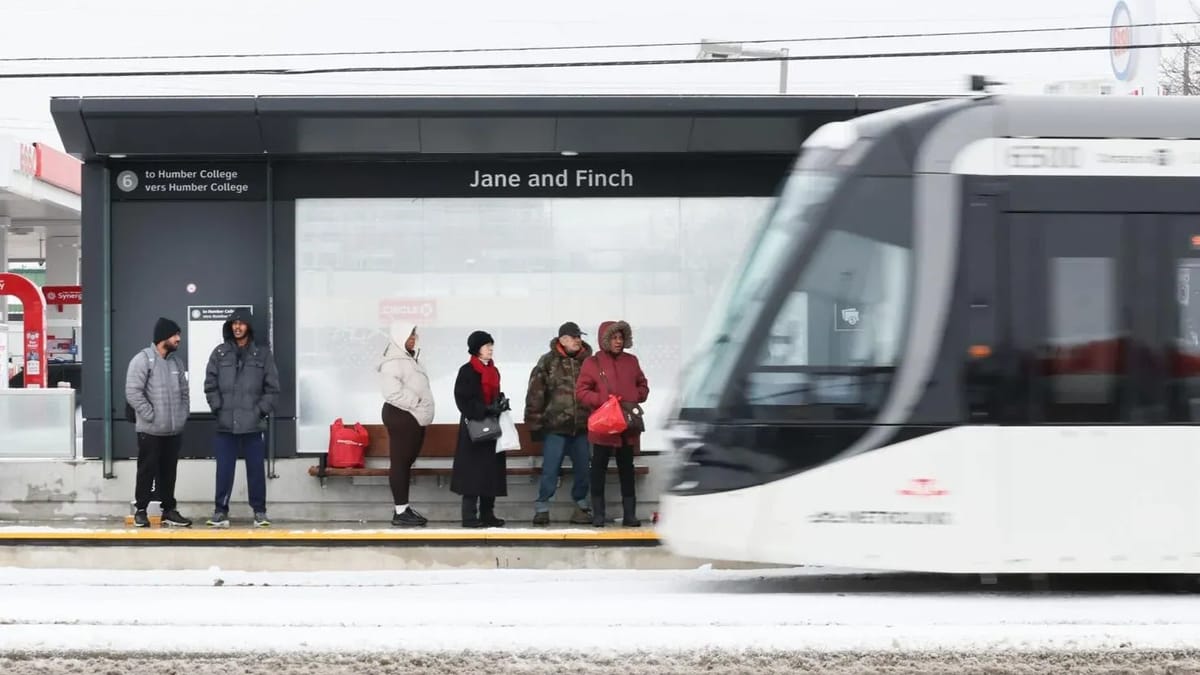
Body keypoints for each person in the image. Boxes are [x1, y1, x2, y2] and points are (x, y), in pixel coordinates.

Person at [202, 310, 280, 528]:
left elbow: (272, 389)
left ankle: (260, 512)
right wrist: (218, 408)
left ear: (249, 327)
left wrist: (259, 411)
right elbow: (210, 385)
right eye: (234, 323)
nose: (237, 327)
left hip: (253, 425)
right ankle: (220, 512)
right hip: (225, 425)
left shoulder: (263, 355)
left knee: (256, 471)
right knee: (224, 470)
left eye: (242, 323)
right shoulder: (219, 354)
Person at [575, 321, 649, 528]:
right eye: (614, 338)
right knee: (598, 469)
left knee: (627, 469)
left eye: (621, 338)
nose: (618, 342)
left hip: (626, 425)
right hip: (604, 426)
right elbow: (581, 392)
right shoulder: (592, 363)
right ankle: (598, 514)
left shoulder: (631, 361)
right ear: (605, 340)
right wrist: (604, 400)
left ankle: (630, 515)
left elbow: (643, 386)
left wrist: (632, 396)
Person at [125, 317, 192, 528]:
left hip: (173, 431)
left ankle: (168, 510)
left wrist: (181, 416)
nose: (178, 339)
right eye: (175, 335)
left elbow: (184, 392)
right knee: (147, 469)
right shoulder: (142, 360)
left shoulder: (176, 362)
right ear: (163, 337)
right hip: (150, 430)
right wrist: (150, 415)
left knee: (169, 471)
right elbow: (133, 392)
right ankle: (141, 510)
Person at [524, 321, 593, 526]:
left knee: (583, 469)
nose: (578, 340)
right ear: (563, 339)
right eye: (574, 337)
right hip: (554, 427)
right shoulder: (547, 362)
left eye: (579, 337)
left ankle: (581, 507)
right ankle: (542, 508)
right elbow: (535, 394)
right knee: (550, 469)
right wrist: (535, 424)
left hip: (581, 427)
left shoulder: (588, 362)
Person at [451, 330, 509, 528]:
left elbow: (493, 393)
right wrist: (484, 409)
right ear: (477, 349)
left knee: (490, 472)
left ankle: (487, 513)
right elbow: (463, 400)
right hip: (473, 429)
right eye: (486, 346)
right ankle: (469, 516)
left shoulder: (494, 371)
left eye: (491, 345)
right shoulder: (467, 371)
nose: (490, 349)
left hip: (492, 428)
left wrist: (500, 402)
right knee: (472, 473)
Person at [378, 322, 434, 527]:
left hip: (412, 416)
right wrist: (416, 402)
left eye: (414, 335)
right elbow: (391, 392)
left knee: (405, 462)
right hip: (403, 415)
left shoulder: (410, 358)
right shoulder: (394, 360)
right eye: (409, 335)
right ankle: (401, 511)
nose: (413, 339)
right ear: (400, 336)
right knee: (400, 463)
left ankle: (403, 508)